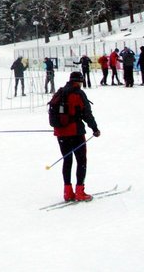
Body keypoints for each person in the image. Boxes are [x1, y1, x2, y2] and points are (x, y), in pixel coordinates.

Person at [52, 71, 100, 201]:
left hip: (60, 132)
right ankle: (80, 192)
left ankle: (67, 192)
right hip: (75, 132)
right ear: (79, 81)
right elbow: (87, 114)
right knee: (81, 161)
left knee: (67, 161)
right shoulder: (78, 93)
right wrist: (95, 129)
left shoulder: (60, 92)